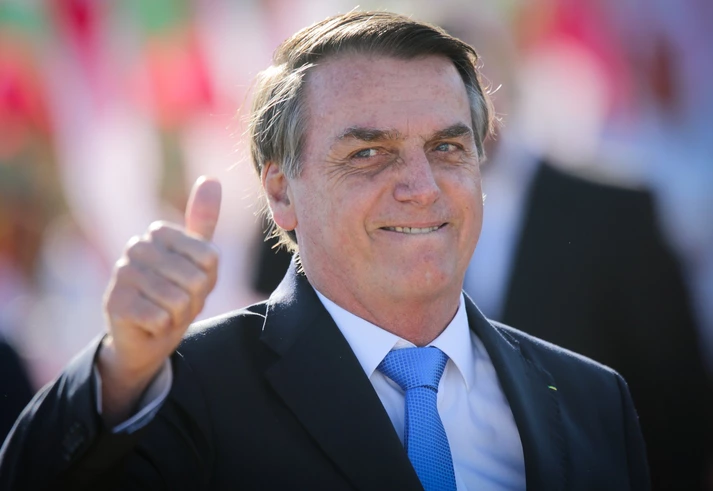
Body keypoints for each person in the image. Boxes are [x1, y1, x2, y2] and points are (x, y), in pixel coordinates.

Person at [0, 11, 649, 490]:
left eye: (447, 148)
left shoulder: (592, 402)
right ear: (281, 192)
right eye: (369, 153)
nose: (422, 187)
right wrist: (119, 371)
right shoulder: (182, 392)